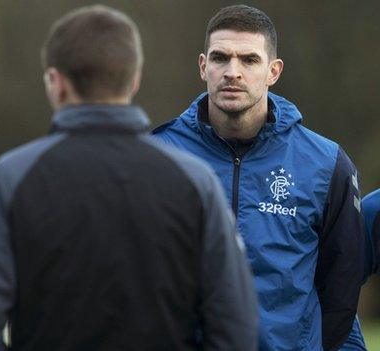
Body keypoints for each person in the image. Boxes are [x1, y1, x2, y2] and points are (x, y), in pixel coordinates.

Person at [0, 5, 257, 351]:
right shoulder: (195, 181)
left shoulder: (15, 177)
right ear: (134, 79)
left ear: (55, 82)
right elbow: (236, 326)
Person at [153, 5, 366, 351]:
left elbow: (341, 287)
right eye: (221, 58)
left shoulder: (327, 164)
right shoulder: (158, 157)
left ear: (273, 71)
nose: (232, 72)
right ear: (203, 66)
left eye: (249, 60)